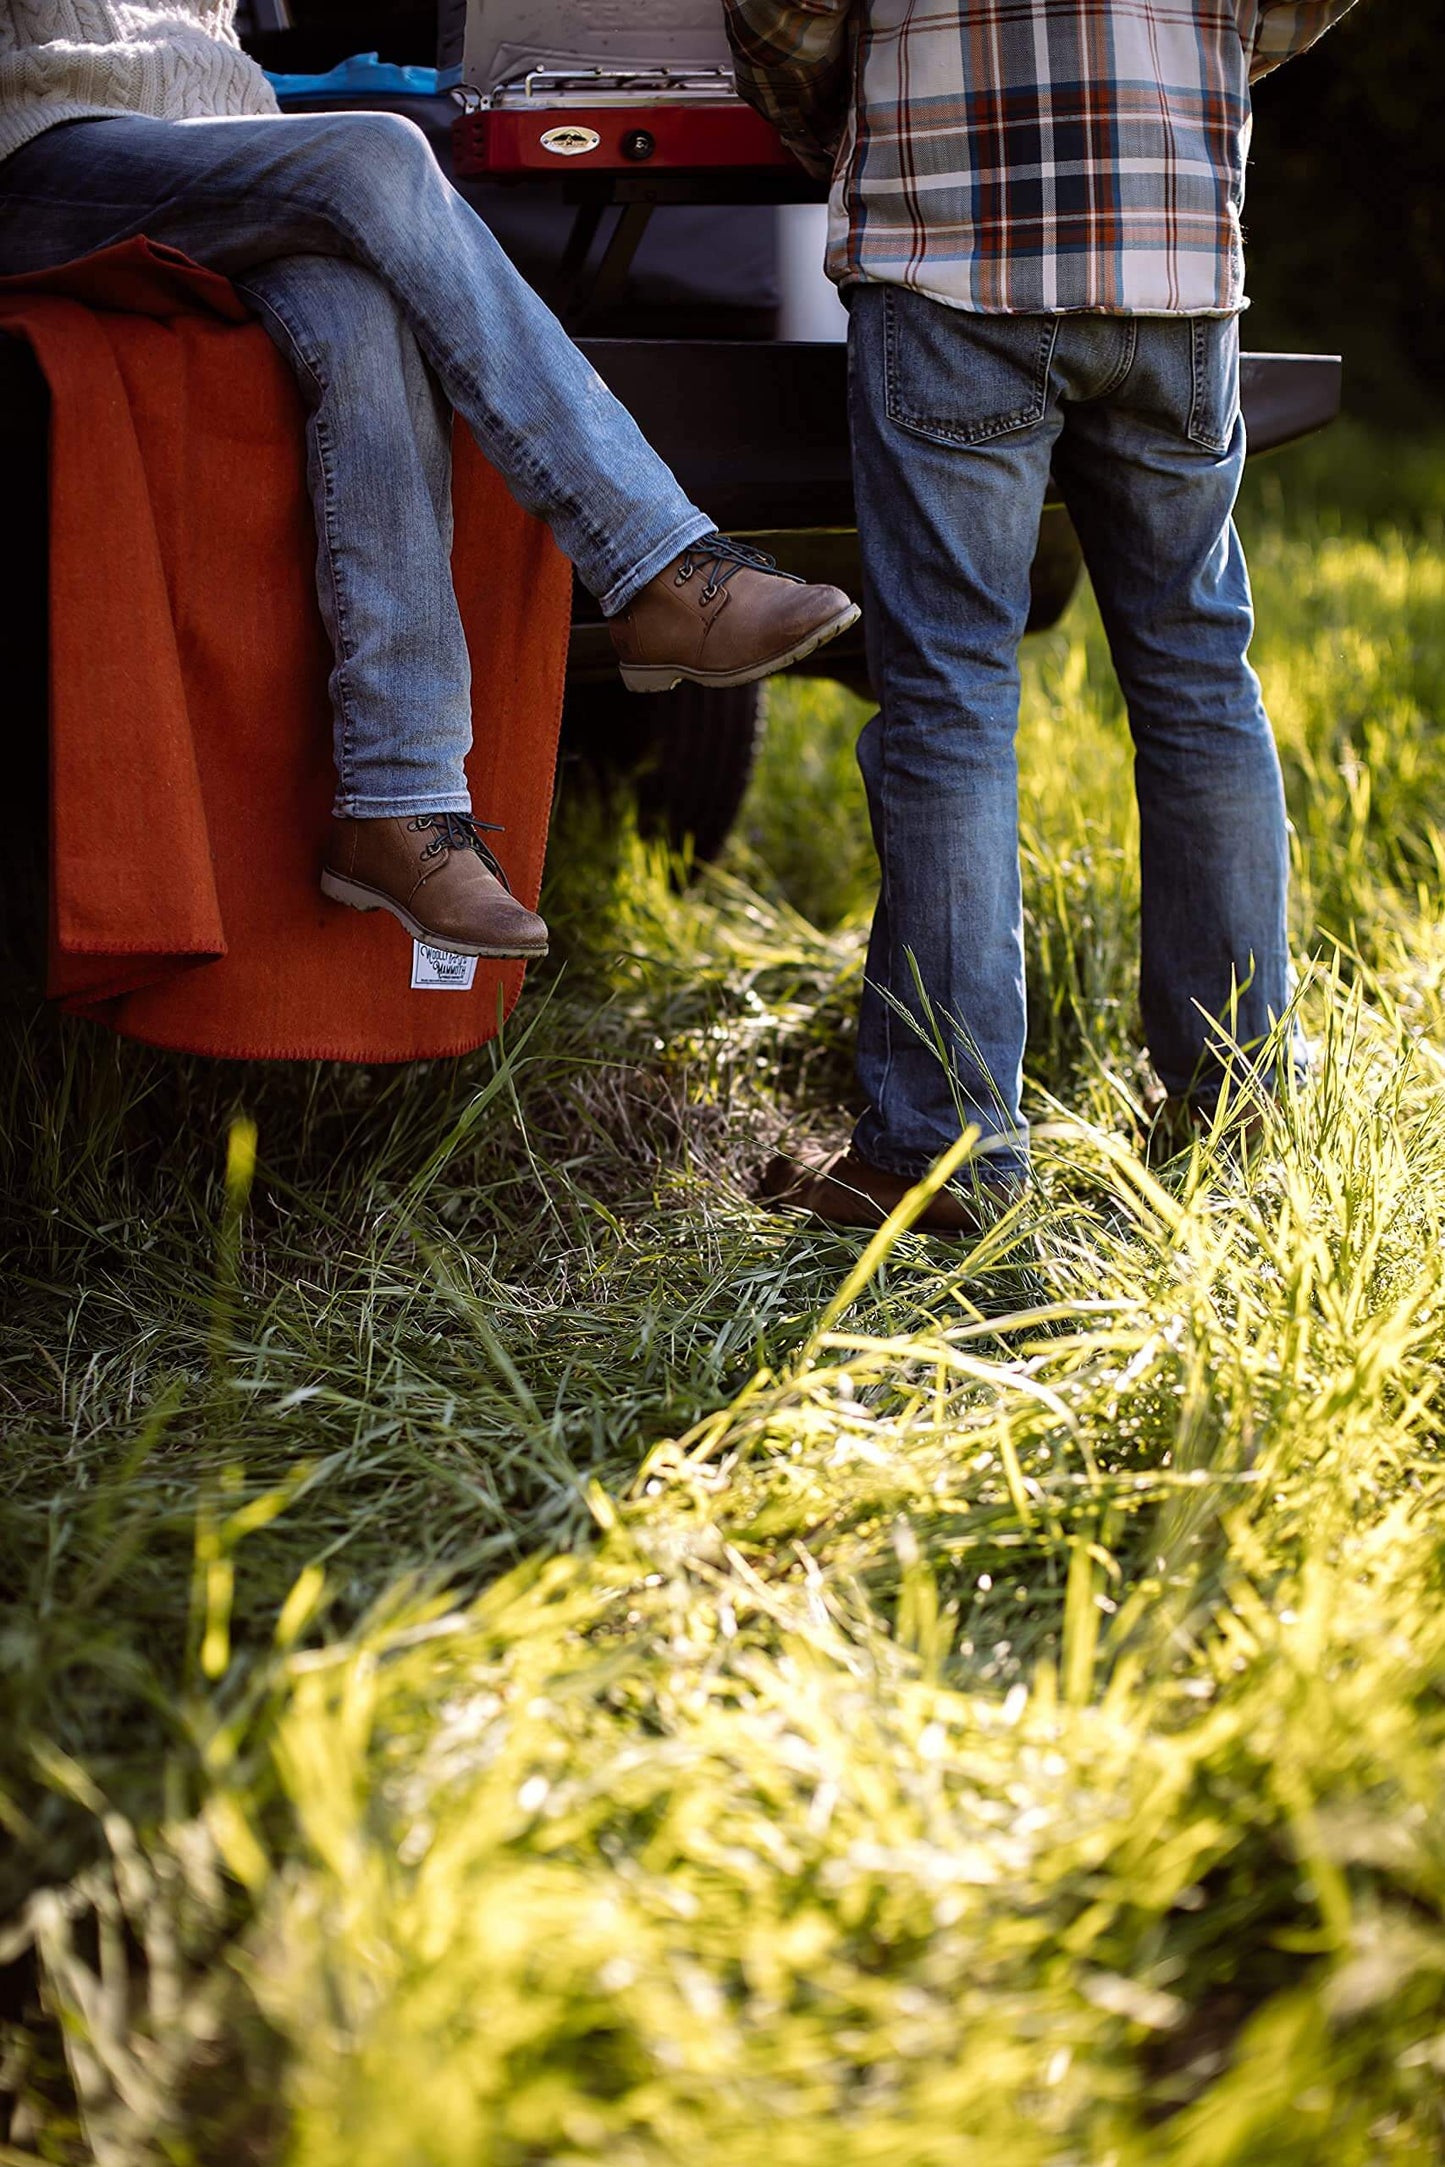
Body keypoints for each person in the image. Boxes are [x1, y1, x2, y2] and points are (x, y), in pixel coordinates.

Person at [0, 0, 859, 960]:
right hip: (42, 148)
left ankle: (400, 801)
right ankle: (654, 560)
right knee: (380, 156)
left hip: (218, 145)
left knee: (358, 307)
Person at [730, 0, 1360, 1232]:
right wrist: (1198, 62)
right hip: (1169, 246)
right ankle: (1232, 1118)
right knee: (1197, 674)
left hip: (952, 239)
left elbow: (784, 15)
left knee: (951, 696)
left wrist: (845, 120)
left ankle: (942, 1158)